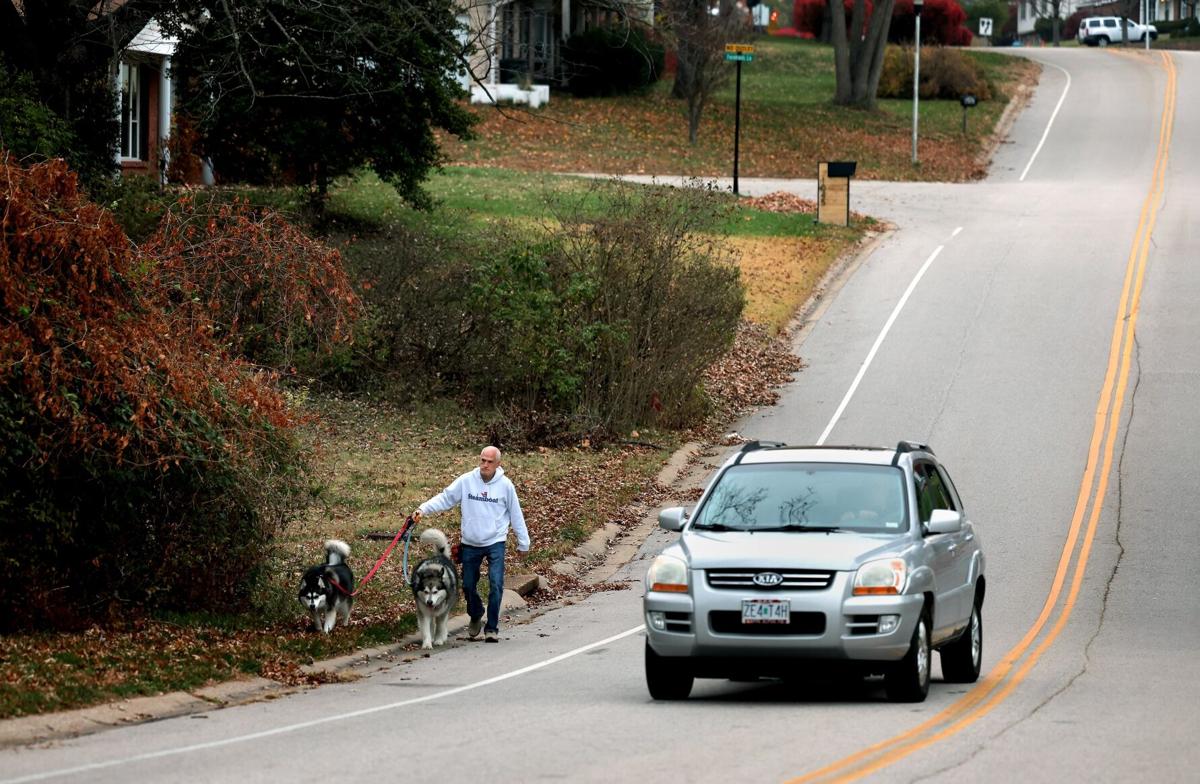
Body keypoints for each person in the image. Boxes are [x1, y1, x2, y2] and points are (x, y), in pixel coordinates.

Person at [413, 445, 529, 643]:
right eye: (482, 460)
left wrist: (523, 542)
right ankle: (475, 613)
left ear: (498, 464)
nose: (484, 464)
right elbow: (446, 497)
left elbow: (516, 514)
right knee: (467, 585)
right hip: (471, 542)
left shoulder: (506, 486)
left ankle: (491, 628)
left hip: (495, 541)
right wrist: (423, 509)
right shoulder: (467, 480)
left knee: (496, 583)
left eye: (489, 461)